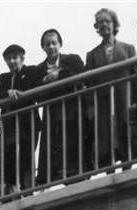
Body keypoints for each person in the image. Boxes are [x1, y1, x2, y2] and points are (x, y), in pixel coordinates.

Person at [28, 29, 89, 183]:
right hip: (52, 112)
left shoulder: (72, 59)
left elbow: (80, 73)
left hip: (73, 109)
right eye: (47, 44)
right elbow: (35, 91)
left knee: (74, 142)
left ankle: (76, 172)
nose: (51, 47)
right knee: (54, 146)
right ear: (43, 47)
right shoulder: (38, 70)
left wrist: (58, 76)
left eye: (54, 43)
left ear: (60, 44)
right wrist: (44, 82)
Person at [84, 9, 137, 168]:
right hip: (103, 105)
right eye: (100, 22)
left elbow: (136, 78)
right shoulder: (92, 55)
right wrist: (91, 107)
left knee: (126, 137)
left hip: (124, 101)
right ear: (96, 26)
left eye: (107, 21)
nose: (104, 25)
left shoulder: (128, 48)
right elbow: (89, 86)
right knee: (106, 140)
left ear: (114, 24)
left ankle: (128, 170)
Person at [0, 45, 37, 194]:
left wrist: (19, 92)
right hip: (8, 125)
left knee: (25, 156)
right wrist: (7, 92)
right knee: (8, 156)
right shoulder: (3, 78)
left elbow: (34, 87)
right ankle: (12, 190)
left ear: (22, 58)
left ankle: (26, 189)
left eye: (15, 57)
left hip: (27, 123)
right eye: (8, 59)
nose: (12, 61)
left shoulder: (30, 72)